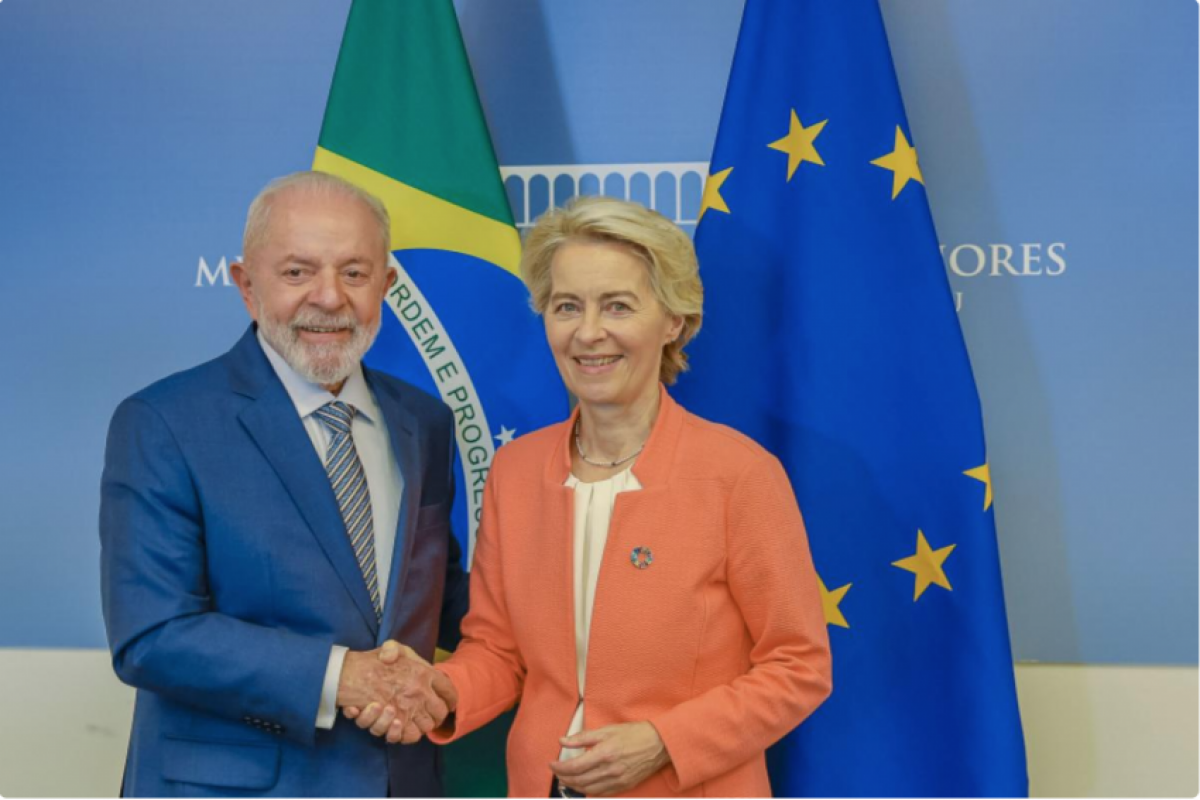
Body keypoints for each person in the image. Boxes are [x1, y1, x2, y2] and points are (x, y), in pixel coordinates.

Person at [352, 195, 833, 796]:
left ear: (673, 320)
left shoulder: (739, 474)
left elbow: (799, 666)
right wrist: (439, 690)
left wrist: (664, 740)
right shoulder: (516, 471)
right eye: (567, 306)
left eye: (618, 306)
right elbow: (498, 651)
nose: (587, 332)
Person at [99, 171, 465, 797]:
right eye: (297, 272)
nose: (329, 297)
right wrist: (341, 676)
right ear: (246, 285)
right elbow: (151, 634)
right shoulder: (164, 422)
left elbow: (439, 597)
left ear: (386, 286)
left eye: (354, 273)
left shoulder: (424, 421)